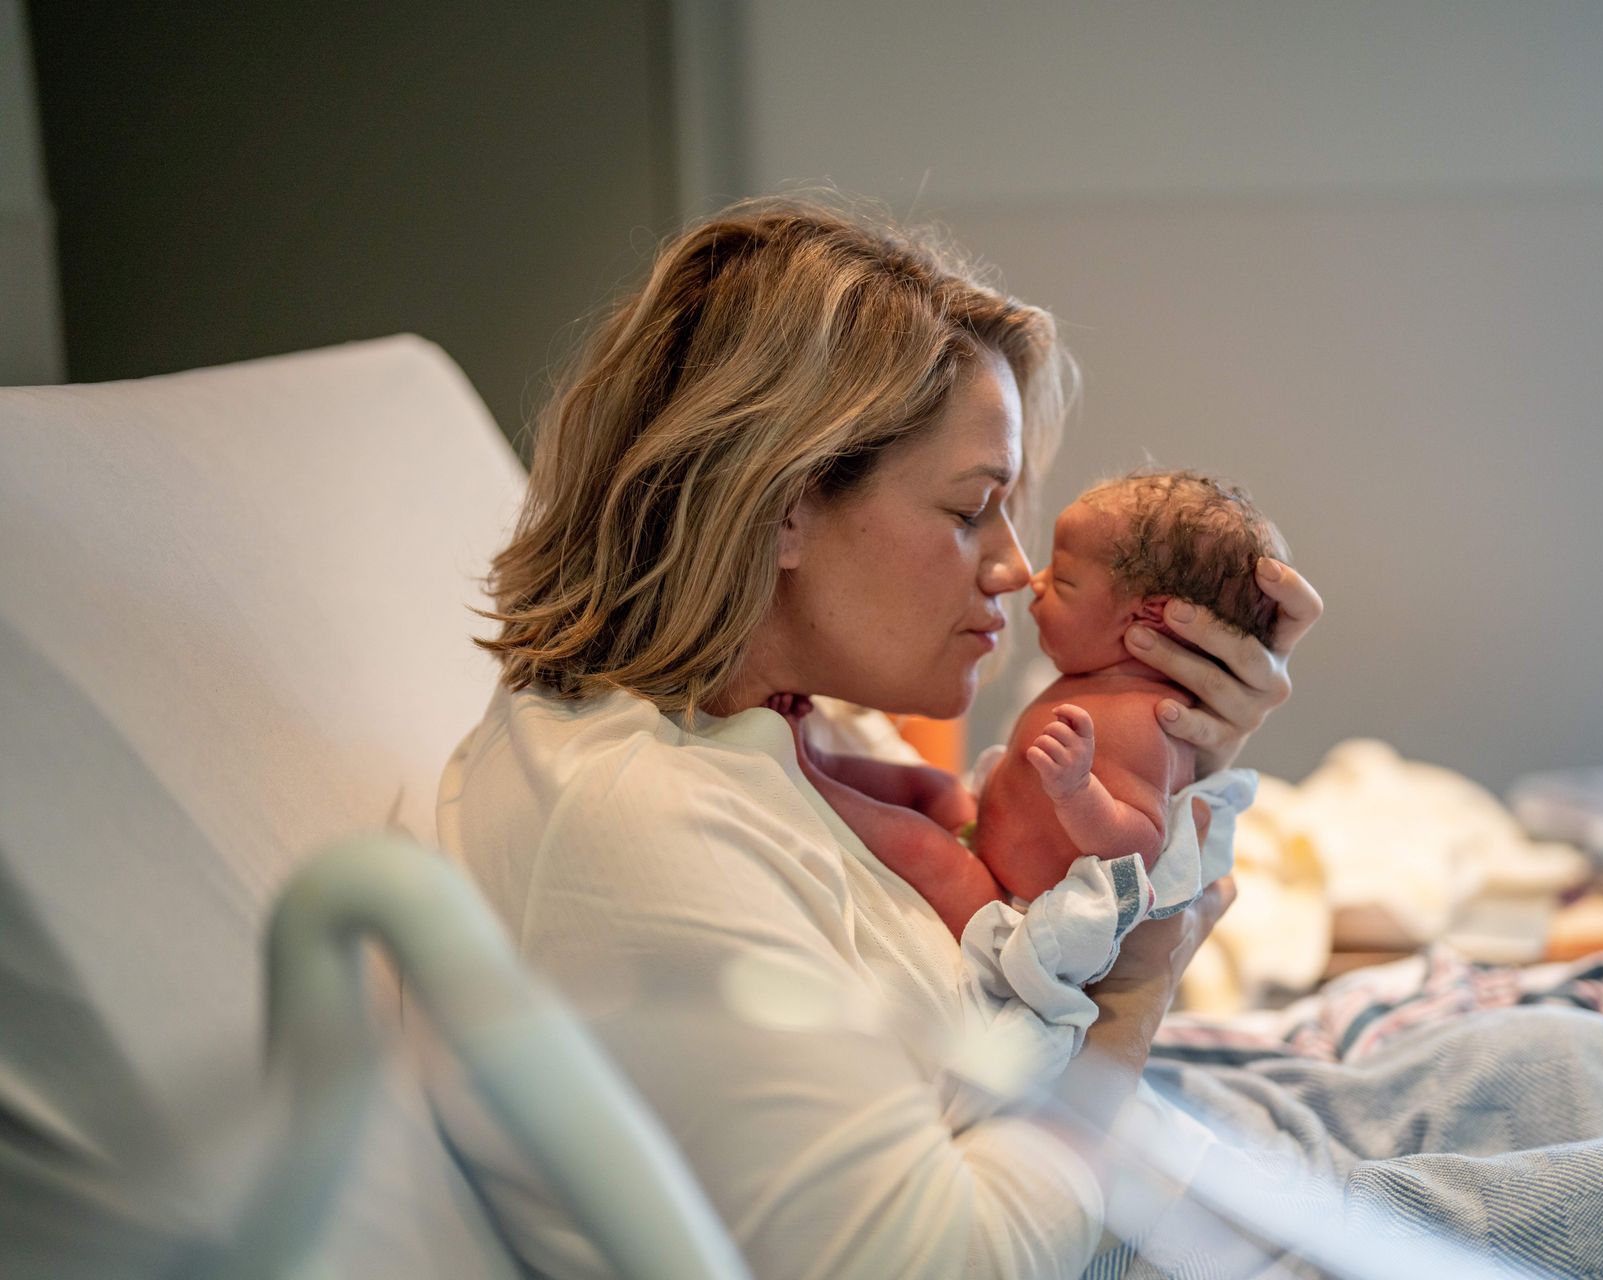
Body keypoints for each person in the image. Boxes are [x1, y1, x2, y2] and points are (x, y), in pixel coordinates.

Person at [436, 196, 1319, 1279]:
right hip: (1114, 1207)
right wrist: (1134, 995)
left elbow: (996, 855)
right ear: (782, 506)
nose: (1012, 564)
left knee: (1566, 1059)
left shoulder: (772, 712)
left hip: (1155, 1145)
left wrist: (1179, 745)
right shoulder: (641, 833)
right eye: (967, 510)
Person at [780, 469, 1288, 940]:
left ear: (1149, 619)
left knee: (921, 846)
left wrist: (1078, 792)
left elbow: (1142, 841)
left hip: (1011, 906)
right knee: (930, 785)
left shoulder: (1145, 720)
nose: (1034, 581)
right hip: (985, 839)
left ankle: (807, 780)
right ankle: (820, 760)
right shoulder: (1092, 683)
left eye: (1064, 582)